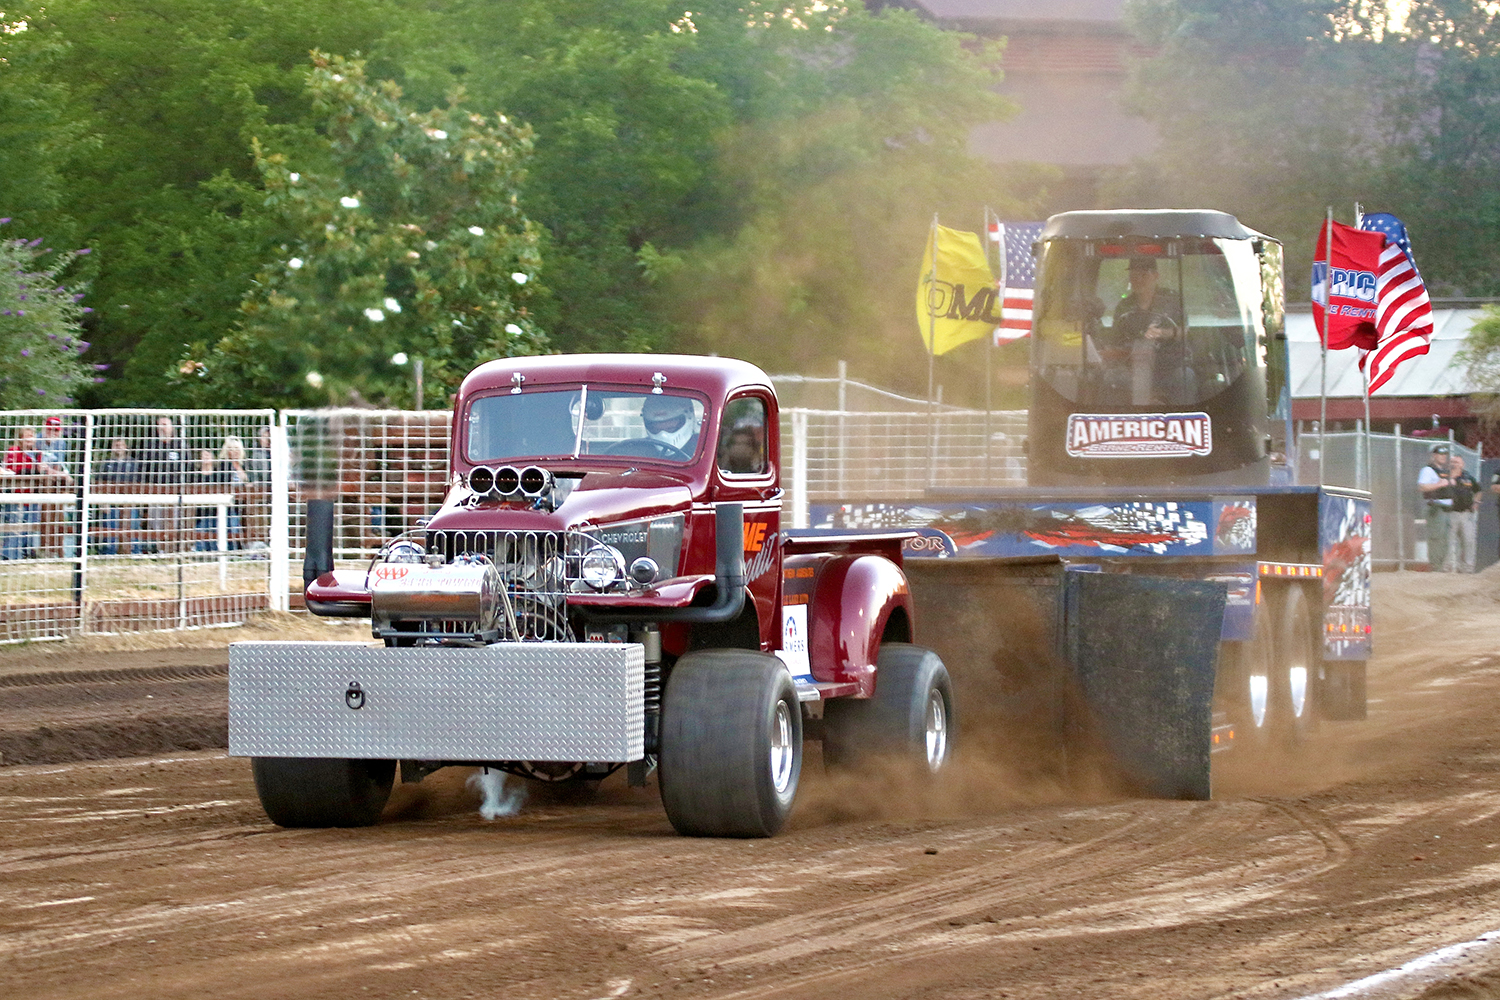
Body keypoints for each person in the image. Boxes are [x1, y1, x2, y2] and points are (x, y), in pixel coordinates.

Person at [1101, 257, 1188, 405]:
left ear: (1156, 276)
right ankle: (1112, 421)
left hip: (1168, 366)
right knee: (1110, 377)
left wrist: (1162, 333)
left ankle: (1187, 420)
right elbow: (1114, 342)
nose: (1137, 280)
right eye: (1133, 275)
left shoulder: (1172, 300)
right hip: (1131, 368)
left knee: (1187, 377)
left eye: (1143, 275)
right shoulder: (1124, 305)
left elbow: (1185, 332)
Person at [139, 416, 187, 553]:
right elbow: (143, 469)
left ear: (172, 427)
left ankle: (172, 550)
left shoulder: (181, 445)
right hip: (155, 492)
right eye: (159, 425)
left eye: (165, 424)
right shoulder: (150, 446)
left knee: (175, 522)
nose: (162, 427)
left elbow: (188, 468)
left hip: (175, 493)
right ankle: (156, 549)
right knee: (155, 522)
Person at [1, 426, 43, 560]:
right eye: (27, 436)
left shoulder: (37, 453)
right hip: (15, 494)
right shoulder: (13, 451)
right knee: (14, 526)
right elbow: (12, 469)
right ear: (20, 438)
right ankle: (9, 555)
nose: (30, 439)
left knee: (29, 526)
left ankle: (25, 553)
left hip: (32, 496)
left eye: (32, 436)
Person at [97, 436, 142, 555]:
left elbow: (139, 484)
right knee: (110, 531)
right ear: (112, 448)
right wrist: (103, 503)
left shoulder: (134, 464)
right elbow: (99, 484)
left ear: (126, 447)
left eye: (121, 445)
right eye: (116, 445)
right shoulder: (105, 465)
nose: (118, 448)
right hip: (110, 504)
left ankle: (134, 554)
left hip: (129, 503)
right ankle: (109, 554)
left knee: (132, 529)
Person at [1418, 444, 1455, 571]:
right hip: (1436, 507)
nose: (1443, 457)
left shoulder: (1443, 471)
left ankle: (1440, 566)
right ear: (1434, 455)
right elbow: (1422, 486)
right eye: (1440, 454)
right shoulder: (1428, 470)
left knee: (1444, 539)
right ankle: (1435, 566)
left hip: (1446, 509)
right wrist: (1439, 484)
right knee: (1436, 538)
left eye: (1445, 454)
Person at [1444, 453, 1482, 573]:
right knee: (1449, 541)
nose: (1455, 464)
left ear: (1462, 464)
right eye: (1453, 462)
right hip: (1450, 513)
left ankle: (1468, 568)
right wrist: (1452, 478)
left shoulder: (1468, 477)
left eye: (1458, 462)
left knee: (1468, 541)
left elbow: (1478, 490)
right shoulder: (1445, 476)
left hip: (1466, 514)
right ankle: (1448, 568)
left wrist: (1476, 502)